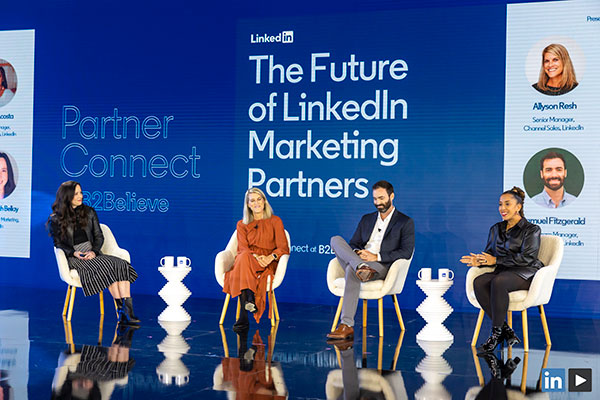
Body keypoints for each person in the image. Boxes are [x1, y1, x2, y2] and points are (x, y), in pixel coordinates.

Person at [327, 180, 415, 341]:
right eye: (375, 199)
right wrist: (358, 254)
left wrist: (377, 257)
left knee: (350, 271)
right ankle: (360, 266)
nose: (378, 203)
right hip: (361, 261)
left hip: (381, 265)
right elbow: (354, 243)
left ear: (392, 196)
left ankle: (346, 325)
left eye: (381, 198)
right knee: (335, 239)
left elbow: (406, 252)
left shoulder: (405, 222)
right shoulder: (367, 219)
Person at [460, 187, 544, 354]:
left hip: (525, 272)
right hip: (504, 271)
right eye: (500, 204)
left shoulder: (532, 230)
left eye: (507, 204)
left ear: (518, 207)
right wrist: (480, 261)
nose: (502, 208)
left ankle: (496, 334)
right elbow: (490, 254)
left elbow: (528, 258)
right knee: (479, 281)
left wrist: (496, 260)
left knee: (499, 282)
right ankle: (506, 330)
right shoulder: (496, 229)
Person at [47, 181, 139, 324]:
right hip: (76, 257)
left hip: (93, 253)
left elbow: (99, 236)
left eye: (81, 192)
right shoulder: (55, 218)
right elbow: (58, 243)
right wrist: (73, 253)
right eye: (76, 193)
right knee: (110, 268)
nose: (80, 196)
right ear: (67, 196)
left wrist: (94, 252)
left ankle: (126, 311)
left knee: (121, 264)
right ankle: (123, 312)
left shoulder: (89, 212)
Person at [223, 187, 289, 331]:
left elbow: (283, 247)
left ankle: (244, 315)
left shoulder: (275, 221)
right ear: (248, 204)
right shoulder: (241, 224)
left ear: (264, 201)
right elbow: (243, 248)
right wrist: (255, 257)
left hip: (268, 262)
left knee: (240, 266)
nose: (256, 203)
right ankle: (248, 301)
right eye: (252, 200)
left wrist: (270, 257)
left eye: (259, 199)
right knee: (243, 257)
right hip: (249, 259)